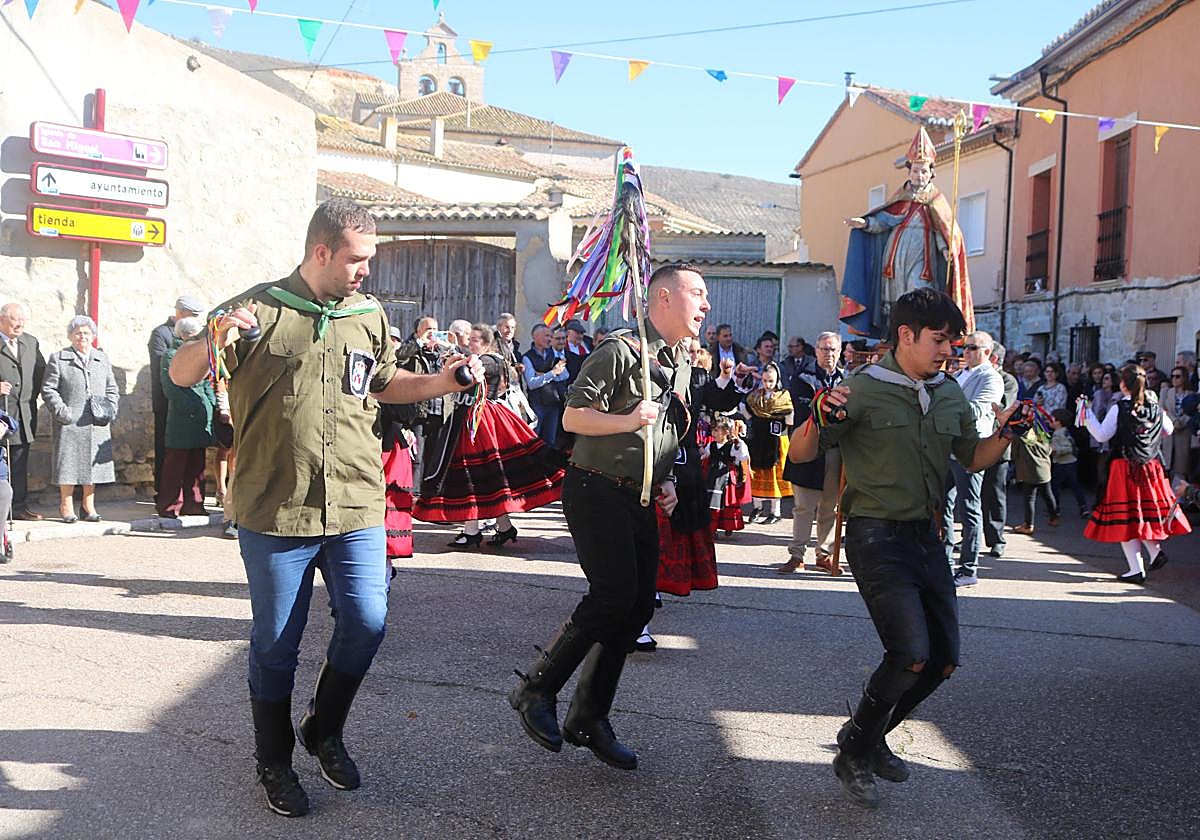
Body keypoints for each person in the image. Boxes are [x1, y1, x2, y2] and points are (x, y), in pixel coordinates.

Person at [167, 198, 482, 818]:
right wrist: (212, 339)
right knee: (274, 644)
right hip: (275, 508)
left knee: (367, 621)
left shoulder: (368, 315)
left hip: (356, 500)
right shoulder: (256, 309)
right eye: (357, 259)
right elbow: (181, 374)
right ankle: (274, 759)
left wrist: (443, 382)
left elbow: (383, 383)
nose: (366, 271)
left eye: (369, 259)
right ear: (321, 252)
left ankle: (324, 729)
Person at [787, 287, 1023, 809]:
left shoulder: (948, 393)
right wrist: (818, 415)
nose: (948, 350)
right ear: (906, 335)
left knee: (943, 661)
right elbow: (801, 453)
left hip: (927, 536)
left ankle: (864, 737)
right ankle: (857, 751)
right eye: (940, 340)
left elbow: (973, 457)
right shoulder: (861, 388)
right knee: (910, 654)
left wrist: (1009, 433)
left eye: (954, 341)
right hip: (875, 536)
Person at [508, 262, 707, 771]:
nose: (706, 305)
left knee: (638, 607)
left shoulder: (679, 361)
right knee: (613, 596)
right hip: (594, 487)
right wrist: (627, 419)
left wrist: (664, 478)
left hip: (637, 494)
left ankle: (589, 716)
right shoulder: (621, 350)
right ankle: (537, 689)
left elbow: (664, 432)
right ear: (663, 298)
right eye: (697, 294)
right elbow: (574, 417)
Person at [413, 323, 564, 547]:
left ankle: (472, 531)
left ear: (485, 343)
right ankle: (504, 527)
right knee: (487, 481)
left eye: (474, 339)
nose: (470, 343)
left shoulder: (490, 360)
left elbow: (468, 373)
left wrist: (450, 349)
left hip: (481, 422)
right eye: (470, 339)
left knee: (474, 476)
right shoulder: (483, 358)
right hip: (473, 419)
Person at [840, 128, 973, 340]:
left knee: (919, 289)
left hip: (923, 253)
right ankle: (896, 337)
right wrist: (865, 223)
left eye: (924, 171)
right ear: (909, 172)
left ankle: (921, 334)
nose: (919, 175)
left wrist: (945, 249)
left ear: (931, 173)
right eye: (915, 171)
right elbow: (885, 221)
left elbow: (942, 229)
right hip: (896, 251)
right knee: (898, 295)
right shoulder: (901, 197)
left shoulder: (936, 200)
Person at [1080, 365, 1191, 582]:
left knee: (1126, 518)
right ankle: (1155, 554)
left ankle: (1136, 569)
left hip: (1125, 467)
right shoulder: (1155, 407)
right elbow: (1168, 430)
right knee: (1142, 515)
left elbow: (1101, 435)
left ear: (1123, 384)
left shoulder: (1119, 407)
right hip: (1151, 466)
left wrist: (1086, 414)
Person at [41, 316, 119, 523]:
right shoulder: (59, 358)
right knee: (68, 464)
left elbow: (112, 388)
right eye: (77, 333)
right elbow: (48, 389)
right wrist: (62, 412)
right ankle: (65, 505)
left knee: (92, 465)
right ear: (70, 336)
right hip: (70, 421)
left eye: (86, 333)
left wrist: (110, 408)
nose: (82, 337)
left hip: (96, 421)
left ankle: (88, 505)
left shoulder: (102, 359)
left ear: (93, 336)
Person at [780, 331, 845, 575]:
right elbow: (806, 412)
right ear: (816, 351)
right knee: (804, 506)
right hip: (808, 448)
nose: (829, 354)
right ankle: (797, 555)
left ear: (839, 352)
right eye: (824, 349)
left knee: (830, 507)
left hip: (835, 450)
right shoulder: (802, 378)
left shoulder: (846, 380)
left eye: (833, 349)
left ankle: (824, 554)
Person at [944, 331, 1004, 587]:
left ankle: (968, 569)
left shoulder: (991, 377)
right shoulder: (960, 374)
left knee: (968, 509)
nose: (965, 352)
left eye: (972, 348)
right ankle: (944, 563)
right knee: (942, 506)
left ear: (987, 352)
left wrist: (942, 407)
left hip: (970, 449)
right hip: (948, 446)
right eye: (964, 347)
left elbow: (979, 408)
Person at [156, 317, 215, 519]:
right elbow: (171, 388)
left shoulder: (201, 353)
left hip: (200, 416)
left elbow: (206, 382)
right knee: (175, 463)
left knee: (197, 464)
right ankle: (170, 505)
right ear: (187, 335)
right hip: (182, 417)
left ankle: (194, 504)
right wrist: (192, 407)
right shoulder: (171, 355)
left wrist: (210, 405)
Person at [149, 296, 204, 491]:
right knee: (167, 451)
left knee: (193, 452)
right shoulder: (161, 333)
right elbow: (162, 367)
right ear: (180, 312)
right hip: (168, 401)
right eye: (192, 314)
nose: (196, 319)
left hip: (193, 400)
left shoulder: (197, 333)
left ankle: (189, 496)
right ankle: (164, 492)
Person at [0, 302, 47, 521]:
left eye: (22, 320)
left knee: (19, 460)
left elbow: (40, 373)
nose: (19, 324)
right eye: (15, 319)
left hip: (23, 412)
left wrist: (28, 397)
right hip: (2, 411)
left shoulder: (30, 342)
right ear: (2, 319)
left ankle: (17, 506)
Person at [980, 343, 1018, 558]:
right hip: (976, 443)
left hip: (997, 444)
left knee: (994, 492)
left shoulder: (1007, 380)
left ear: (993, 358)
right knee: (972, 493)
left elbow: (1003, 406)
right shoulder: (975, 376)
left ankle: (996, 539)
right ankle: (971, 535)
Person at [745, 363, 793, 525]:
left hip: (777, 440)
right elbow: (747, 410)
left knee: (774, 475)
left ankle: (775, 511)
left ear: (777, 379)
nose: (768, 384)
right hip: (758, 439)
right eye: (765, 380)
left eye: (771, 381)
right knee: (756, 473)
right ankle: (757, 507)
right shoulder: (755, 396)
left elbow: (790, 420)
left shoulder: (783, 397)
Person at [523, 324, 569, 447]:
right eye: (546, 336)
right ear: (535, 337)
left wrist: (544, 375)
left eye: (550, 336)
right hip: (536, 405)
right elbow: (532, 383)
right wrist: (552, 373)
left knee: (550, 441)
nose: (549, 339)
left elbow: (565, 375)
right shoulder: (527, 357)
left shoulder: (554, 353)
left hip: (553, 403)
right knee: (534, 440)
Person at [1011, 420, 1058, 535]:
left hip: (1029, 471)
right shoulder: (1042, 434)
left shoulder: (1020, 437)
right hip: (1044, 470)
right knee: (1048, 495)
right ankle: (1054, 518)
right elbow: (1049, 449)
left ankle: (1028, 525)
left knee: (1029, 498)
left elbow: (1014, 453)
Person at [706, 416, 750, 538]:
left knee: (727, 503)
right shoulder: (711, 445)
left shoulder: (733, 446)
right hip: (712, 478)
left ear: (726, 431)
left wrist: (739, 442)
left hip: (726, 478)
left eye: (716, 430)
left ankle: (728, 526)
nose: (713, 433)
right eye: (713, 430)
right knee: (712, 503)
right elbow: (704, 455)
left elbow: (743, 456)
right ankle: (712, 529)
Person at [1049, 409, 1089, 517]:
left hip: (1063, 463)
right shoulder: (1065, 431)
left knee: (1054, 486)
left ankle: (1055, 508)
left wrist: (1054, 450)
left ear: (1058, 422)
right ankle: (1083, 507)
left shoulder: (1059, 434)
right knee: (1075, 485)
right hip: (1071, 462)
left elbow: (1068, 448)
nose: (1049, 421)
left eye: (1052, 419)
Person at [1162, 366, 1195, 479]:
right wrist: (1173, 421)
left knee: (1181, 468)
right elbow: (1162, 409)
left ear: (1184, 378)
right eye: (1172, 376)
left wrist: (1180, 422)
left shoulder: (1191, 394)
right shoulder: (1166, 392)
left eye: (1178, 376)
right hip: (1169, 433)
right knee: (1166, 465)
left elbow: (1192, 412)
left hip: (1183, 433)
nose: (1174, 379)